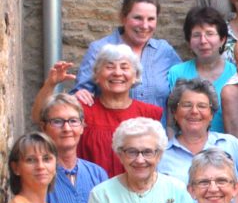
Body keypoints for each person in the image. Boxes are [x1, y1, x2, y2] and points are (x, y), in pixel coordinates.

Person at [33, 44, 163, 178]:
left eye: (124, 67)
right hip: (87, 190)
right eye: (109, 67)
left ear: (135, 76)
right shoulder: (81, 110)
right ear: (96, 75)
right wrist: (51, 84)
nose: (117, 73)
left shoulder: (149, 115)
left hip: (133, 193)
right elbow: (39, 117)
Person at [74, 0, 179, 110]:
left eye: (151, 19)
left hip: (156, 128)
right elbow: (79, 98)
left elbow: (185, 91)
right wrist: (79, 95)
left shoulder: (164, 51)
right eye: (138, 18)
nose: (145, 26)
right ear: (123, 18)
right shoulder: (99, 49)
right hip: (112, 128)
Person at [166, 6, 238, 136]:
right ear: (189, 42)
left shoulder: (237, 74)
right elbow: (170, 125)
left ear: (222, 39)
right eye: (196, 35)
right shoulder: (176, 73)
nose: (203, 41)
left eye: (210, 34)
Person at [158, 78, 238, 187]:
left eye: (202, 106)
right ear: (174, 113)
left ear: (211, 114)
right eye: (187, 105)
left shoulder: (231, 144)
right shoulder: (162, 155)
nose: (194, 111)